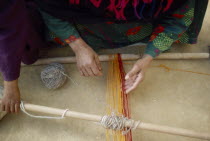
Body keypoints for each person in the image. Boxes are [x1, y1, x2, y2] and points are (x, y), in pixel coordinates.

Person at [0, 0, 208, 113]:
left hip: (140, 26)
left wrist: (147, 57)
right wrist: (77, 45)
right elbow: (47, 7)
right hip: (85, 23)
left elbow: (178, 20)